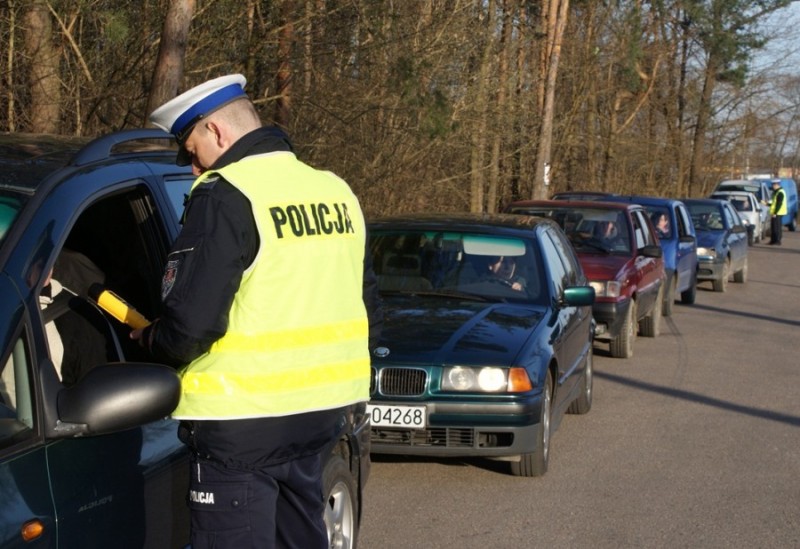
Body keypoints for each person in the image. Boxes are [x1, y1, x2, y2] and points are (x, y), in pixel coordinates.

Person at [135, 74, 380, 549]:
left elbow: (188, 329)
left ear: (218, 134)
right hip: (319, 420)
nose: (192, 168)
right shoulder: (335, 191)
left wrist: (148, 341)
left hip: (239, 428)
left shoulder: (226, 193)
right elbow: (367, 305)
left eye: (191, 150)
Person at [769, 179, 786, 245]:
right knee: (773, 227)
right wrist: (767, 203)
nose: (773, 186)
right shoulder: (776, 192)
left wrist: (775, 213)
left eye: (773, 185)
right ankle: (773, 240)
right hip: (774, 212)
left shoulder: (780, 192)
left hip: (778, 213)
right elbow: (774, 203)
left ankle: (777, 241)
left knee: (777, 227)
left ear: (777, 185)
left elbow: (779, 204)